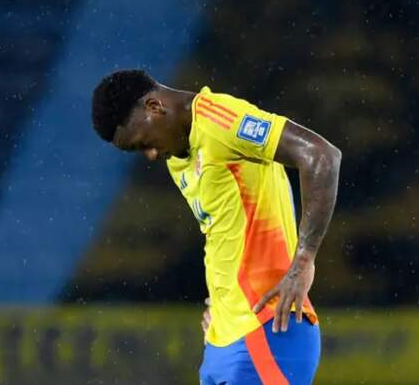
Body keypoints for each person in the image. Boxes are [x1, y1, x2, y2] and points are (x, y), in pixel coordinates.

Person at [91, 70, 340, 384]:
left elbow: (321, 156)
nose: (151, 155)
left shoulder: (220, 121)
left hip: (267, 329)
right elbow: (225, 232)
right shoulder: (178, 157)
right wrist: (222, 305)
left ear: (154, 107)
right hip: (221, 340)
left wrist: (303, 260)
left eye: (143, 143)